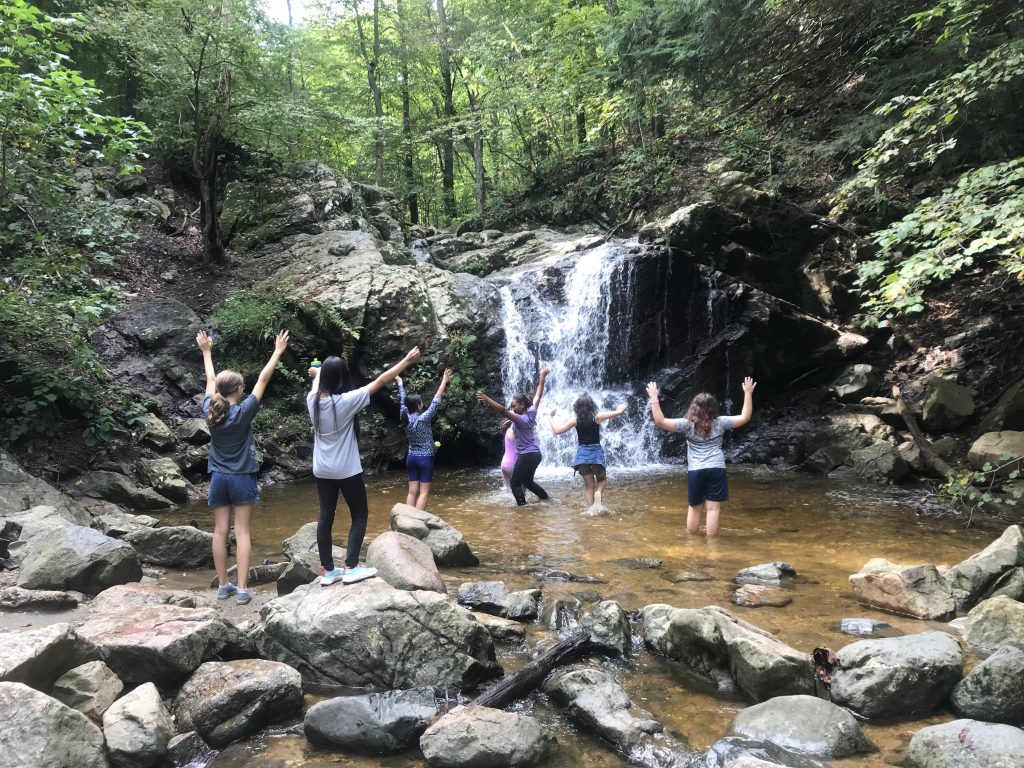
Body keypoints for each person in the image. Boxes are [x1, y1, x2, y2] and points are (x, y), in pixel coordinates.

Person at [308, 347, 421, 586]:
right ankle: (351, 566)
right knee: (359, 514)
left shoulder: (313, 401)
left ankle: (328, 571)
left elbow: (317, 383)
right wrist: (406, 360)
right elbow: (381, 380)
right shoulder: (347, 401)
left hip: (322, 469)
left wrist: (316, 373)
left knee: (325, 516)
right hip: (346, 469)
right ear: (343, 378)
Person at [196, 328, 289, 605]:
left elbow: (210, 379)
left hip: (218, 478)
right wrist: (278, 351)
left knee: (220, 531)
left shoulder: (209, 409)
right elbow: (264, 378)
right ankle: (243, 590)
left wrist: (206, 351)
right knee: (243, 532)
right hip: (242, 478)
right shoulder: (244, 410)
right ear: (238, 389)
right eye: (242, 386)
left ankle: (223, 584)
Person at [646, 376, 756, 536]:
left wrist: (654, 398)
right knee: (713, 509)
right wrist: (747, 393)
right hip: (717, 469)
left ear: (694, 408)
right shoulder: (721, 422)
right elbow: (745, 417)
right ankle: (712, 546)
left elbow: (661, 422)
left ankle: (693, 545)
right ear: (713, 408)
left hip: (696, 470)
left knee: (694, 507)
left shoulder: (686, 425)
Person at [476, 366, 551, 506]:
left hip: (526, 455)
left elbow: (503, 411)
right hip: (536, 454)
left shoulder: (520, 419)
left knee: (515, 483)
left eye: (514, 406)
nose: (512, 408)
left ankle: (523, 507)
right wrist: (542, 377)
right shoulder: (531, 412)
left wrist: (487, 399)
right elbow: (538, 395)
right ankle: (547, 500)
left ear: (522, 405)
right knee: (528, 482)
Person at [548, 395, 627, 508]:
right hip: (596, 455)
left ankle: (591, 511)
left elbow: (557, 431)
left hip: (582, 457)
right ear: (592, 406)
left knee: (589, 487)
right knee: (602, 480)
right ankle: (599, 492)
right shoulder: (597, 417)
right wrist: (622, 407)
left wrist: (550, 416)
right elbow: (619, 412)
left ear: (577, 408)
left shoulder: (575, 420)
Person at [396, 368, 452, 510]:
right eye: (421, 403)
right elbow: (435, 402)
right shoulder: (423, 419)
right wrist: (444, 381)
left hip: (411, 458)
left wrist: (400, 383)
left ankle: (407, 519)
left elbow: (402, 400)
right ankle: (417, 522)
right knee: (424, 493)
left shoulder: (404, 418)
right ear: (419, 406)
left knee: (412, 491)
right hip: (425, 459)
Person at [499, 418, 517, 490]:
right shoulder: (511, 432)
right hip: (512, 464)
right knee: (520, 487)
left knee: (507, 488)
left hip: (504, 464)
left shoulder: (506, 432)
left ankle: (505, 501)